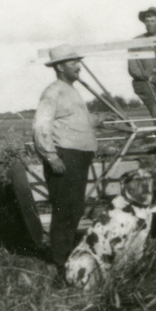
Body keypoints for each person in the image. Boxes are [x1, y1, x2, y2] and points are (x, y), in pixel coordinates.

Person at [33, 44, 105, 283]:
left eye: (77, 61)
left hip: (78, 157)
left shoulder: (71, 91)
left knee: (74, 210)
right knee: (65, 211)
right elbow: (41, 126)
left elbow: (73, 121)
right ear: (60, 67)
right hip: (65, 158)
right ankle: (60, 264)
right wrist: (51, 156)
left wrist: (97, 120)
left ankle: (68, 258)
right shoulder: (53, 92)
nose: (78, 66)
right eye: (73, 62)